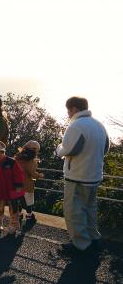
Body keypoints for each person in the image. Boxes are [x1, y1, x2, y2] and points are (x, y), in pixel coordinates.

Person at [56, 96, 109, 254]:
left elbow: (68, 149)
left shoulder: (76, 126)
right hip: (94, 176)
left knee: (74, 212)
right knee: (89, 208)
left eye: (68, 110)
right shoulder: (99, 125)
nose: (68, 114)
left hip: (77, 176)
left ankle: (81, 245)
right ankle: (93, 238)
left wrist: (58, 149)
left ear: (74, 109)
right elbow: (105, 149)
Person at [0, 141, 25, 237]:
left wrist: (18, 186)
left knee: (14, 210)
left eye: (1, 152)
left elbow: (18, 174)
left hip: (12, 190)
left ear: (4, 151)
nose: (0, 155)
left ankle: (13, 226)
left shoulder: (11, 162)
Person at [15, 140, 44, 226]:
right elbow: (32, 173)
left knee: (19, 200)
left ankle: (19, 214)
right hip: (27, 185)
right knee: (29, 202)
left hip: (17, 184)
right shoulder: (32, 161)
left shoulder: (18, 158)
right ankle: (29, 216)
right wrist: (40, 175)